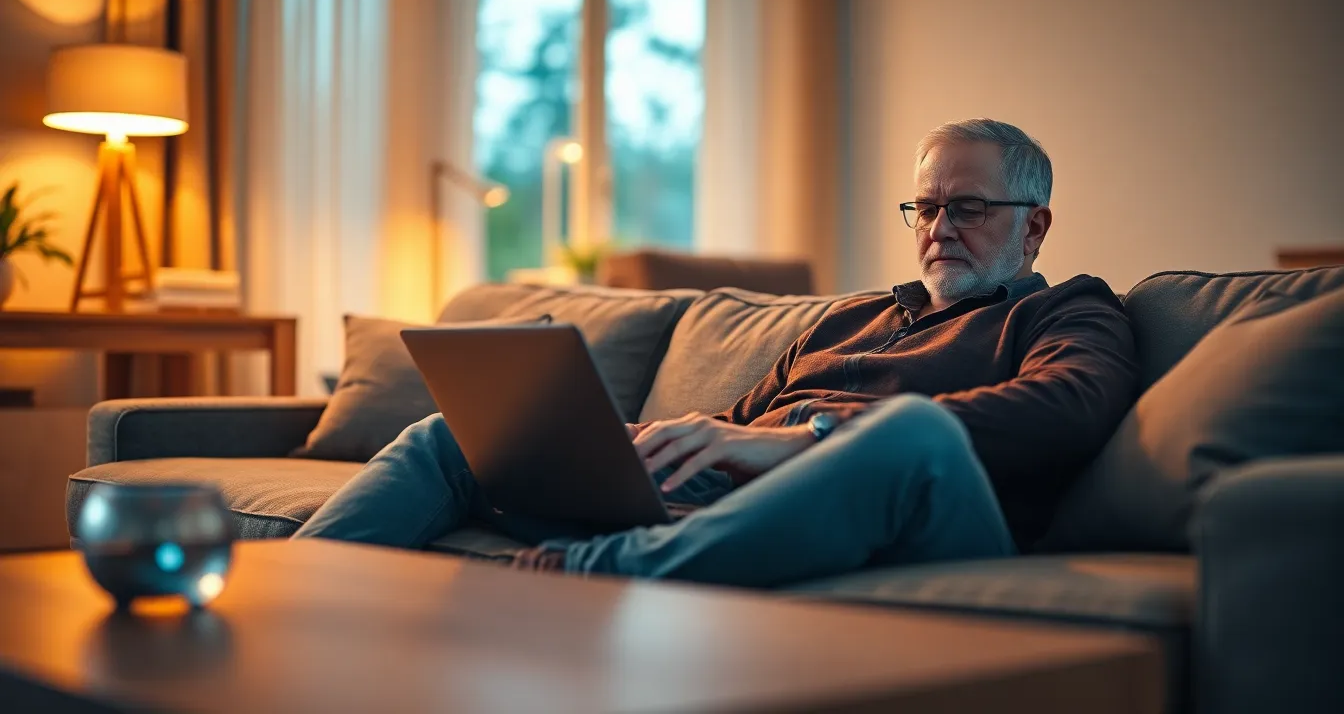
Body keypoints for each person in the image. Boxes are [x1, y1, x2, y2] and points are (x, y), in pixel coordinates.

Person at [296, 118, 1138, 587]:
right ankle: (290, 588)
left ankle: (607, 569)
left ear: (1034, 225)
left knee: (911, 433)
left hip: (922, 518)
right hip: (732, 510)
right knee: (455, 436)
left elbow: (1067, 411)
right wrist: (642, 446)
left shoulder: (1067, 310)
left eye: (969, 206)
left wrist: (804, 439)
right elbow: (733, 426)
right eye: (923, 207)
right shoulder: (850, 319)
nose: (939, 228)